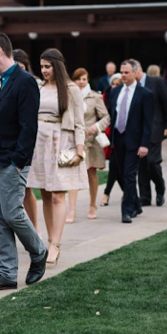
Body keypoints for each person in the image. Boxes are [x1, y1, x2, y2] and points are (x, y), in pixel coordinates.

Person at [0, 32, 47, 292]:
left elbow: (29, 127)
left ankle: (38, 251)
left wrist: (18, 161)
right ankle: (6, 274)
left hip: (10, 161)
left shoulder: (25, 82)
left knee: (12, 213)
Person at [27, 49, 86, 265]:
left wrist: (79, 150)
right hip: (39, 143)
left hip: (60, 141)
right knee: (44, 192)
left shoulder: (71, 89)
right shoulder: (39, 87)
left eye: (47, 66)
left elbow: (80, 122)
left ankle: (56, 244)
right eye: (41, 67)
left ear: (57, 66)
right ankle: (48, 239)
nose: (43, 71)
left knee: (57, 195)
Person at [108, 60, 153, 224]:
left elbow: (148, 122)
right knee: (122, 174)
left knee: (129, 175)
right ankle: (136, 204)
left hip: (134, 141)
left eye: (127, 72)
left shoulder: (145, 94)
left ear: (135, 73)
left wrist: (144, 144)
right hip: (117, 140)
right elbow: (111, 116)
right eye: (122, 72)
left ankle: (126, 211)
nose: (123, 75)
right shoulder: (115, 92)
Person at [68, 68, 110, 221]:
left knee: (92, 173)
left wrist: (97, 127)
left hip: (91, 141)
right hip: (73, 140)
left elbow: (106, 117)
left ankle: (93, 205)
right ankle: (71, 210)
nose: (81, 82)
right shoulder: (68, 96)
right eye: (78, 79)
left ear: (87, 80)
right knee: (73, 175)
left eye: (84, 79)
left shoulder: (95, 97)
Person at [136, 63, 167, 207]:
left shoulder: (156, 81)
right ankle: (145, 197)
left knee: (153, 162)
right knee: (142, 165)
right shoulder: (131, 86)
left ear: (138, 70)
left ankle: (160, 188)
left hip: (155, 129)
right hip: (138, 131)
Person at [12, 48, 40, 232]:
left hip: (33, 139)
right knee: (20, 190)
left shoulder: (33, 82)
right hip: (13, 138)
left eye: (21, 67)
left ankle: (35, 228)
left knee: (28, 187)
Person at [101, 72, 123, 206]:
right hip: (108, 133)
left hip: (120, 134)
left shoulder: (124, 96)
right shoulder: (106, 95)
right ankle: (129, 193)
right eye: (113, 84)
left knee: (115, 165)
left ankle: (106, 193)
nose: (114, 86)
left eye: (118, 84)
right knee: (115, 165)